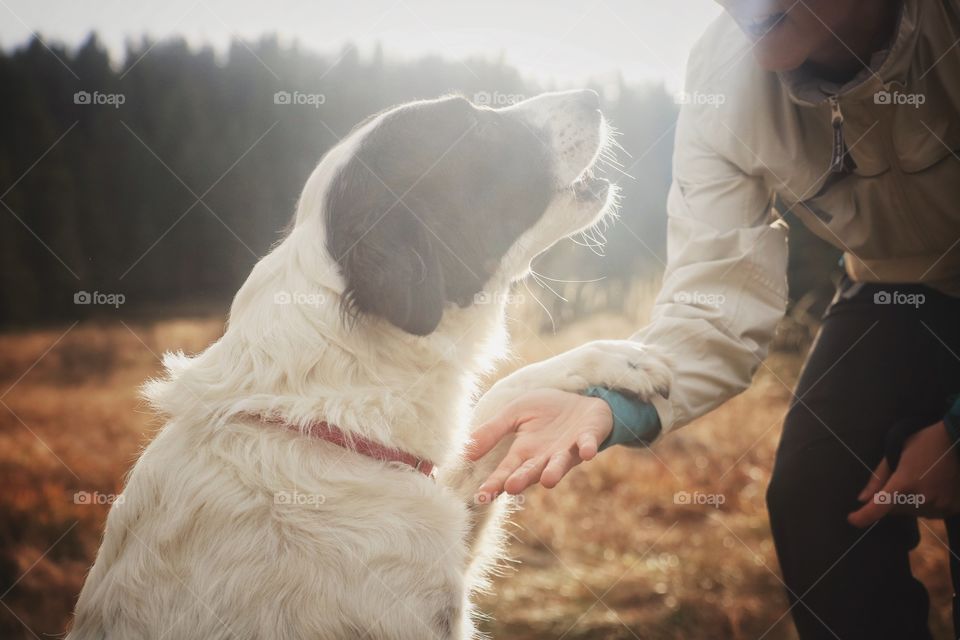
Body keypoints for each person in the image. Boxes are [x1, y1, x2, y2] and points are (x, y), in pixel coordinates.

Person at [467, 1, 960, 638]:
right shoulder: (719, 80)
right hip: (894, 289)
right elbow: (712, 300)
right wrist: (611, 402)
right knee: (812, 502)